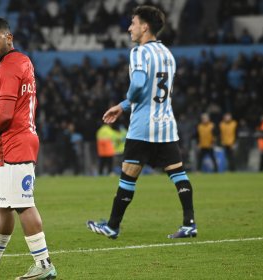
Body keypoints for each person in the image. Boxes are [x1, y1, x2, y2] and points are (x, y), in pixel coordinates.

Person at [87, 5, 197, 239]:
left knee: (128, 175)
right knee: (178, 173)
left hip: (143, 126)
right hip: (166, 124)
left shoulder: (139, 52)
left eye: (133, 23)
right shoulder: (168, 54)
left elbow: (138, 85)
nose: (129, 28)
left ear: (145, 26)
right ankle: (189, 223)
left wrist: (124, 104)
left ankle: (113, 226)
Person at [0, 17, 57, 280]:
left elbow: (5, 114)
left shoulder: (7, 68)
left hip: (15, 143)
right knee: (4, 209)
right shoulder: (22, 61)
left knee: (24, 206)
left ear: (9, 37)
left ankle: (44, 265)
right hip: (11, 145)